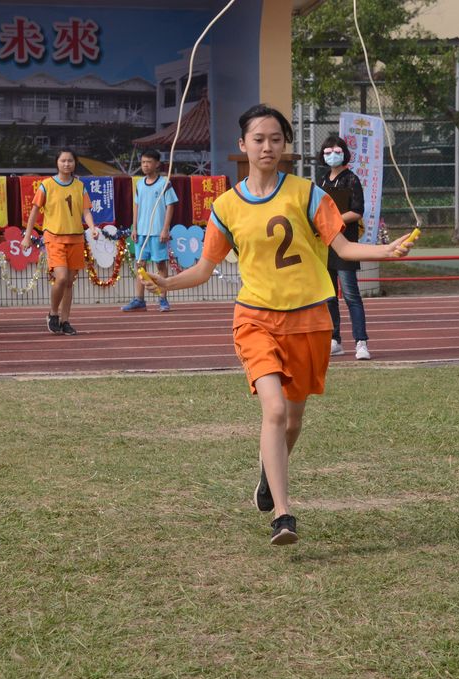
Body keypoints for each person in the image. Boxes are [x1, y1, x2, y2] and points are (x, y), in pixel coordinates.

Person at [140, 104, 416, 545]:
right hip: (255, 319)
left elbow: (344, 248)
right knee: (274, 410)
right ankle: (283, 516)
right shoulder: (226, 206)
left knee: (292, 421)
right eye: (258, 139)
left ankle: (268, 475)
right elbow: (205, 268)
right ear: (243, 144)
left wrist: (386, 251)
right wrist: (167, 283)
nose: (267, 146)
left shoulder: (308, 194)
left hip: (309, 320)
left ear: (285, 145)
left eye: (275, 139)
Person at [21, 148, 99, 335]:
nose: (66, 164)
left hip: (76, 238)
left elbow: (86, 211)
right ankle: (53, 313)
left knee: (69, 282)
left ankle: (65, 320)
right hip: (54, 237)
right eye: (63, 160)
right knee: (61, 277)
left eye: (70, 161)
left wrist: (92, 227)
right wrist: (27, 236)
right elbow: (34, 211)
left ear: (75, 163)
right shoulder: (46, 185)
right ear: (57, 163)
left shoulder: (80, 186)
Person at [316, 134, 371, 360]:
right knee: (329, 296)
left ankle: (361, 342)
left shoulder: (351, 179)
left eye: (337, 151)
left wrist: (333, 220)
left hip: (345, 244)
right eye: (327, 152)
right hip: (324, 245)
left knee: (350, 295)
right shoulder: (322, 181)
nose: (332, 155)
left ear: (344, 154)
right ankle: (334, 340)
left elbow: (357, 211)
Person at [121, 149, 177, 312]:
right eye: (143, 162)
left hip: (157, 232)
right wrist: (134, 228)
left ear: (157, 164)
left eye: (149, 162)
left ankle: (163, 299)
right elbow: (136, 206)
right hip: (141, 232)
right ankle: (139, 299)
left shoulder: (165, 183)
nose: (145, 165)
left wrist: (165, 229)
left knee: (160, 264)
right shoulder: (139, 184)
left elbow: (170, 206)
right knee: (140, 265)